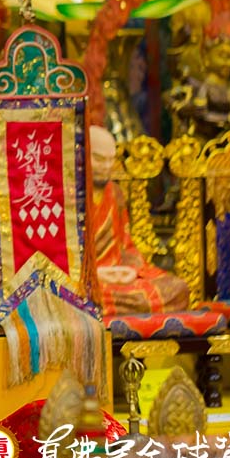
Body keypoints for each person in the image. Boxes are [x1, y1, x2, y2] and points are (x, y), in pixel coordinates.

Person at [87, 126, 190, 316]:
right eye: (99, 159)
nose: (106, 166)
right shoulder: (69, 196)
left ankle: (101, 308)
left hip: (117, 276)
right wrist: (95, 273)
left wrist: (130, 270)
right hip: (90, 279)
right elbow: (63, 257)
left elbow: (126, 245)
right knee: (77, 294)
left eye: (111, 159)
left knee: (178, 289)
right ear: (82, 155)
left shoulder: (115, 193)